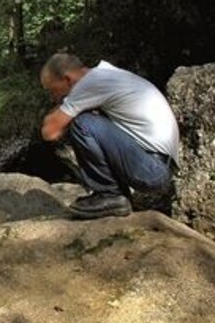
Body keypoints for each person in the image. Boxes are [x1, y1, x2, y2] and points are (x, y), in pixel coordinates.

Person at [39, 53, 179, 219]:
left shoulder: (90, 83)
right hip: (157, 165)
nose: (54, 97)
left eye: (53, 90)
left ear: (67, 79)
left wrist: (58, 113)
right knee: (91, 117)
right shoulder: (107, 74)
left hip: (152, 168)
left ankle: (110, 195)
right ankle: (116, 196)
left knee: (83, 123)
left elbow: (49, 131)